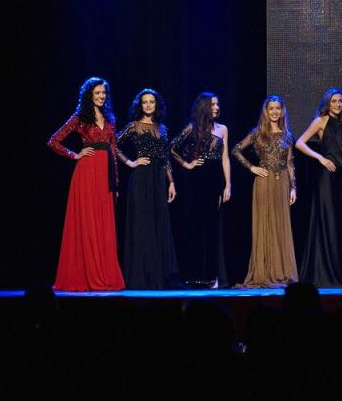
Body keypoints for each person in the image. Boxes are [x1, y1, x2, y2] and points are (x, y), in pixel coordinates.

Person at [47, 77, 125, 291]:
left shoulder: (110, 118)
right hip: (87, 173)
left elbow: (113, 151)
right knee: (88, 221)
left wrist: (116, 183)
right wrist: (74, 154)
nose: (101, 96)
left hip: (105, 174)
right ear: (89, 95)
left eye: (103, 93)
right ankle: (88, 273)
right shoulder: (79, 117)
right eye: (97, 93)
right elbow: (53, 141)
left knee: (104, 224)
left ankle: (105, 274)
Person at [116, 88, 179, 289]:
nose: (149, 105)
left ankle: (157, 275)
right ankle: (141, 276)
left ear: (156, 104)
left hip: (158, 180)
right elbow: (113, 144)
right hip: (141, 178)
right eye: (145, 102)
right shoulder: (133, 126)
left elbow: (166, 158)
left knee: (157, 225)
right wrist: (130, 162)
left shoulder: (162, 128)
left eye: (152, 101)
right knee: (142, 225)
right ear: (140, 105)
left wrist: (171, 182)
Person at [233, 96, 298, 287]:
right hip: (263, 182)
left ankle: (281, 271)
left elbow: (290, 163)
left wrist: (293, 188)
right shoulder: (257, 133)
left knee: (280, 226)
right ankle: (263, 271)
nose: (275, 112)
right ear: (266, 111)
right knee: (264, 224)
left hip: (282, 183)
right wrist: (251, 167)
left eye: (278, 108)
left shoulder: (287, 135)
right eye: (271, 108)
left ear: (282, 111)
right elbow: (236, 150)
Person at [171, 92, 232, 287]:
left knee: (212, 228)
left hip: (215, 180)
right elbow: (172, 147)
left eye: (217, 104)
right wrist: (187, 164)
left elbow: (225, 158)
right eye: (212, 104)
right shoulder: (193, 127)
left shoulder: (222, 129)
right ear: (204, 107)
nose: (216, 107)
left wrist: (228, 184)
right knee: (196, 226)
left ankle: (212, 276)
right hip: (198, 180)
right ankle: (195, 275)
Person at [296, 88, 342, 288]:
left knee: (335, 226)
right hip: (325, 178)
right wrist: (320, 158)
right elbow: (300, 143)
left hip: (338, 178)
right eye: (334, 101)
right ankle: (323, 274)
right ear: (327, 103)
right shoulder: (321, 121)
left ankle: (333, 271)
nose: (337, 104)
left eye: (340, 101)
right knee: (326, 223)